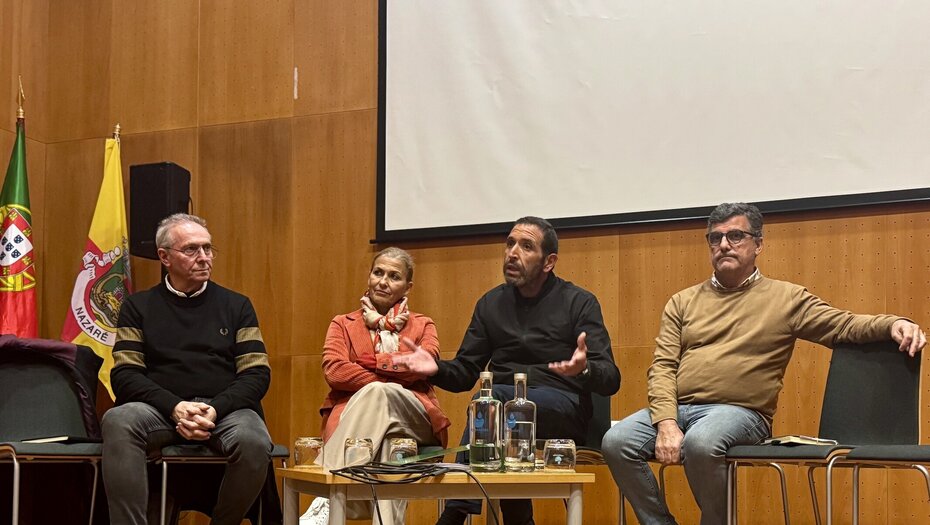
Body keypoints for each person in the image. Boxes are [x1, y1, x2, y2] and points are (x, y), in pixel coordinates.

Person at [601, 202, 926, 525]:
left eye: (735, 236)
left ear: (758, 244)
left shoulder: (786, 298)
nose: (724, 244)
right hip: (680, 409)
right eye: (715, 238)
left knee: (701, 442)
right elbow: (662, 368)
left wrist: (892, 324)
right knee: (616, 442)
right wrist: (667, 423)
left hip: (741, 413)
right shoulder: (683, 301)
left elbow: (843, 325)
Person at [396, 216, 621, 525]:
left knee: (494, 404)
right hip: (503, 415)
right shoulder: (491, 304)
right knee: (497, 410)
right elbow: (465, 373)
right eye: (510, 243)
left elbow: (611, 378)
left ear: (548, 261)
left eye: (526, 246)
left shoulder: (578, 302)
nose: (512, 252)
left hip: (563, 409)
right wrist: (434, 369)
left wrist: (584, 370)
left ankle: (455, 512)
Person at [102, 213, 276, 525]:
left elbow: (256, 374)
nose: (204, 258)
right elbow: (125, 374)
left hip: (224, 413)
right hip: (159, 412)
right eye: (192, 250)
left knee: (254, 439)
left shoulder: (237, 306)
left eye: (208, 249)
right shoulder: (137, 306)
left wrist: (214, 409)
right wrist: (175, 407)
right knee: (118, 420)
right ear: (164, 257)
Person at [306, 247, 450, 525]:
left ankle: (327, 497)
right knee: (392, 449)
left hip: (416, 419)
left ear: (407, 286)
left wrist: (369, 363)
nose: (383, 281)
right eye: (378, 272)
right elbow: (335, 372)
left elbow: (423, 364)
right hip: (366, 427)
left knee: (379, 391)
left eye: (394, 276)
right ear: (369, 276)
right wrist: (394, 372)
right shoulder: (342, 324)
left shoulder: (423, 324)